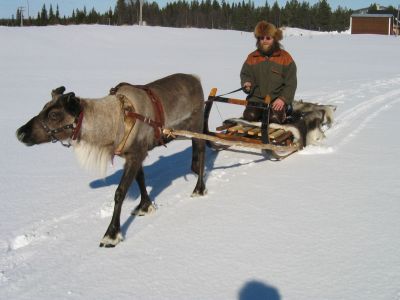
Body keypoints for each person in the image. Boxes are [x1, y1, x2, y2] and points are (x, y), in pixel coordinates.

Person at [240, 21, 297, 123]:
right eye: (261, 38)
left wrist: (283, 99)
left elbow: (291, 82)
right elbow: (245, 74)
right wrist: (246, 83)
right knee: (250, 116)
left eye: (268, 38)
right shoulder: (252, 57)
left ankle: (286, 110)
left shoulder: (285, 57)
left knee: (273, 119)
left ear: (274, 39)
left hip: (276, 100)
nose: (264, 41)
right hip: (256, 99)